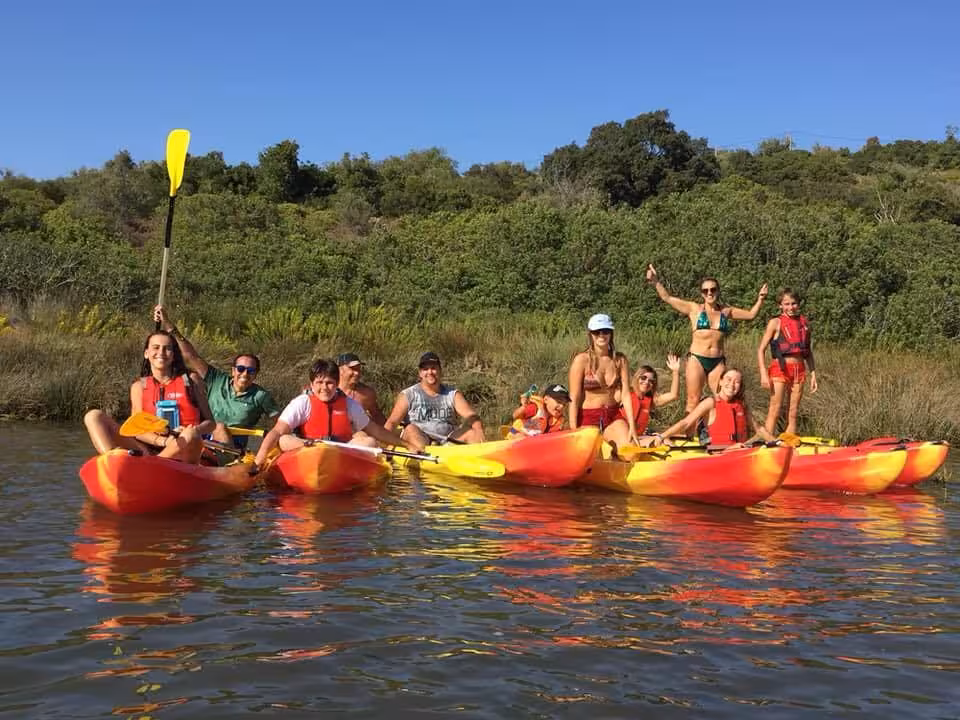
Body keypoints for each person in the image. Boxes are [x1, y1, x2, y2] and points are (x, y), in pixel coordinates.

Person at [252, 359, 423, 470]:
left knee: (370, 441)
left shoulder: (349, 404)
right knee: (284, 440)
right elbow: (277, 431)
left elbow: (375, 431)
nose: (324, 388)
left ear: (336, 384)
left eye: (329, 383)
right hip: (309, 450)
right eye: (319, 382)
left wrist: (406, 445)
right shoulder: (301, 402)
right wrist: (259, 459)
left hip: (340, 451)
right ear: (311, 385)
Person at [646, 264, 768, 413]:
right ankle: (688, 433)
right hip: (697, 358)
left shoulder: (725, 311)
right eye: (705, 290)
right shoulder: (694, 309)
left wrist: (760, 299)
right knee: (693, 399)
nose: (709, 293)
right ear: (702, 294)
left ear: (718, 291)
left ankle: (717, 431)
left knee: (722, 398)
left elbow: (750, 315)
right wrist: (656, 281)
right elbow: (667, 297)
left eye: (713, 289)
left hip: (717, 361)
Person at [83, 330, 216, 463]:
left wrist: (194, 430)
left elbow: (211, 424)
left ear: (174, 355)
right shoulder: (138, 387)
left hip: (185, 449)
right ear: (146, 353)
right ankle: (113, 463)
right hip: (151, 448)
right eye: (156, 347)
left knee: (190, 435)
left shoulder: (191, 380)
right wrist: (163, 441)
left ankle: (154, 464)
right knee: (93, 416)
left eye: (167, 348)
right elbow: (137, 430)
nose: (161, 353)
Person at [155, 306, 278, 448]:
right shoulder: (216, 379)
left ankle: (224, 467)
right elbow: (190, 356)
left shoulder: (261, 396)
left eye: (250, 370)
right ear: (233, 371)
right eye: (241, 369)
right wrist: (169, 325)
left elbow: (280, 423)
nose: (244, 374)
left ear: (256, 374)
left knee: (219, 428)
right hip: (203, 437)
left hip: (232, 446)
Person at [652, 368, 773, 449]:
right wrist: (662, 436)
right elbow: (686, 422)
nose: (732, 384)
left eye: (737, 382)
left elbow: (759, 428)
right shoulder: (711, 403)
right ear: (720, 382)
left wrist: (776, 442)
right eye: (729, 379)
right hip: (718, 453)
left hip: (739, 452)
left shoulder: (740, 405)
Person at [384, 352, 486, 445]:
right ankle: (421, 456)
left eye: (433, 368)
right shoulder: (408, 394)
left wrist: (479, 430)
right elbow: (392, 422)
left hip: (447, 442)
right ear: (420, 373)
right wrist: (383, 441)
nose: (430, 372)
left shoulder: (453, 394)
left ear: (440, 370)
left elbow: (471, 416)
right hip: (419, 441)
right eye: (425, 369)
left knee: (471, 432)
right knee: (410, 429)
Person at [568, 313, 638, 447]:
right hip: (588, 416)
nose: (601, 335)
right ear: (590, 334)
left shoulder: (620, 360)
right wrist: (573, 429)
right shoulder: (581, 360)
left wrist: (632, 425)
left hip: (612, 415)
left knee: (630, 453)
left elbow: (626, 394)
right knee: (586, 457)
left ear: (611, 333)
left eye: (605, 331)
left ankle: (614, 452)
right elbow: (574, 397)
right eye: (596, 331)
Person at [757, 288, 818, 435]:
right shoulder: (775, 322)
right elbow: (761, 350)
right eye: (787, 304)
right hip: (780, 368)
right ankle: (767, 439)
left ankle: (790, 439)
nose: (791, 307)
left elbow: (808, 352)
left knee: (793, 411)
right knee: (775, 407)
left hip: (799, 369)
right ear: (780, 305)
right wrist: (763, 374)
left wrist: (814, 374)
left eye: (793, 304)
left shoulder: (804, 323)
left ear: (798, 304)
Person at [619, 353, 682, 436]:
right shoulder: (624, 393)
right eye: (643, 378)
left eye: (651, 381)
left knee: (666, 440)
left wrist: (675, 371)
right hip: (622, 436)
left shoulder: (651, 400)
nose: (646, 382)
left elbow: (673, 395)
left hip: (638, 437)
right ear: (637, 378)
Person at [337, 353, 386, 425]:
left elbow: (377, 416)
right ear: (340, 370)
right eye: (352, 368)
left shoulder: (366, 394)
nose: (357, 373)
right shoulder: (328, 390)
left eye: (358, 369)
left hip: (358, 433)